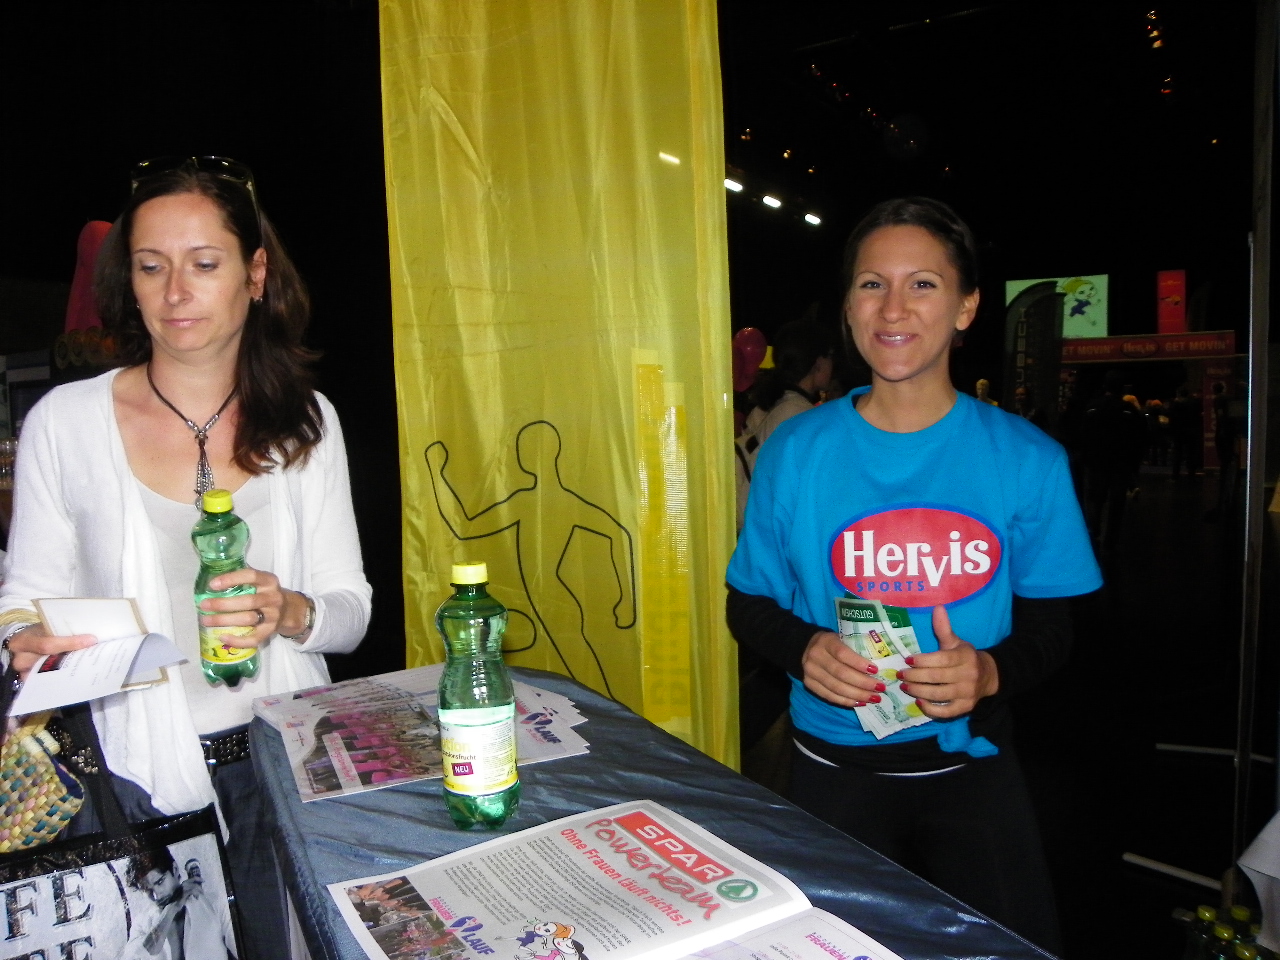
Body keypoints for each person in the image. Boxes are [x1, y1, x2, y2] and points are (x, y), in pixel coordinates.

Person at [0, 156, 371, 960]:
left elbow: (350, 613)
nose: (175, 292)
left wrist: (289, 609)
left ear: (255, 274)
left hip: (285, 771)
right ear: (128, 282)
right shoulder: (65, 422)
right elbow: (21, 594)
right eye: (151, 266)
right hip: (126, 781)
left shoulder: (306, 421)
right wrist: (22, 637)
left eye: (203, 264)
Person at [726, 197, 1101, 951]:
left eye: (922, 284)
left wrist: (991, 671)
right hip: (831, 770)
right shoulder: (797, 450)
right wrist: (804, 647)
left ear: (966, 308)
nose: (893, 308)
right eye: (872, 284)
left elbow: (1056, 626)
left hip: (970, 767)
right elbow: (748, 601)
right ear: (848, 307)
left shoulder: (1028, 458)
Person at [125, 848, 237, 959]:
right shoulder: (141, 924)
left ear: (175, 869)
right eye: (147, 890)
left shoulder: (214, 903)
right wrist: (171, 910)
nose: (156, 896)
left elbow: (243, 947)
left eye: (160, 882)